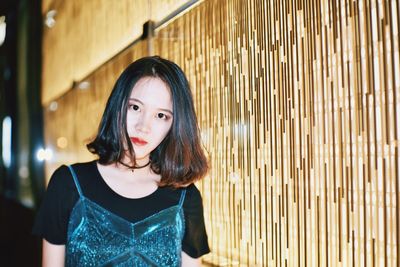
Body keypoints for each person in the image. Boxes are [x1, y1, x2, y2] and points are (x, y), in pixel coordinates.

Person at [33, 56, 210, 266]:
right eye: (135, 108)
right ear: (118, 106)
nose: (144, 126)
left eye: (161, 115)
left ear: (175, 125)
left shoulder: (185, 196)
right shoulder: (68, 184)